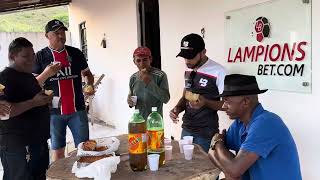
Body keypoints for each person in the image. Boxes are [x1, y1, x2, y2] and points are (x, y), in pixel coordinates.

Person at [208, 74, 302, 180]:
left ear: (245, 102)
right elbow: (212, 152)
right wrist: (230, 173)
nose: (223, 106)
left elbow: (234, 169)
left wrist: (218, 143)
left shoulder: (266, 123)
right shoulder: (240, 123)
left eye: (227, 101)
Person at [33, 19, 95, 161]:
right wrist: (47, 73)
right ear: (47, 36)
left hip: (78, 109)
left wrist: (88, 85)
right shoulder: (40, 56)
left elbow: (88, 75)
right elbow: (34, 85)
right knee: (58, 150)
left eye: (62, 32)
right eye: (56, 33)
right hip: (53, 113)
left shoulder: (76, 53)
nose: (61, 36)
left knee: (84, 148)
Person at [0, 37, 57, 180]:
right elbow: (4, 112)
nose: (31, 60)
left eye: (32, 55)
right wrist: (34, 102)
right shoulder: (4, 78)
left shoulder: (28, 76)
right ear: (12, 57)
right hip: (18, 144)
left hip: (37, 140)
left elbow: (36, 99)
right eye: (26, 56)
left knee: (39, 175)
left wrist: (47, 101)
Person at [169, 33, 226, 152]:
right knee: (186, 166)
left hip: (206, 133)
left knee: (204, 169)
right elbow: (185, 96)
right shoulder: (189, 68)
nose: (187, 61)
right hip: (187, 129)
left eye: (191, 56)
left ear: (203, 52)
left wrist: (205, 102)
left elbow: (227, 105)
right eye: (184, 57)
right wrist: (177, 109)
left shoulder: (219, 71)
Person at [127, 47, 170, 120]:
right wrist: (130, 102)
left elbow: (165, 99)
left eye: (145, 60)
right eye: (138, 60)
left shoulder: (160, 75)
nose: (142, 64)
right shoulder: (133, 78)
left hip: (155, 122)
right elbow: (131, 97)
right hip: (139, 121)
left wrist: (149, 83)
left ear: (150, 59)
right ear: (134, 62)